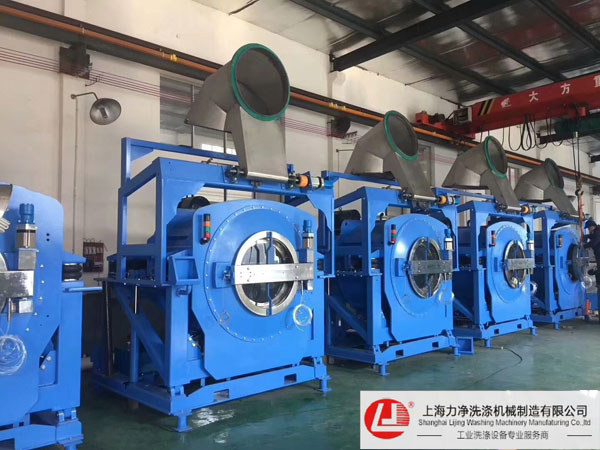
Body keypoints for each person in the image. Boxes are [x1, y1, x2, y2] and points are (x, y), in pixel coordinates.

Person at [584, 219, 600, 288]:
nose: (588, 229)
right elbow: (592, 236)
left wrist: (584, 246)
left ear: (592, 226)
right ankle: (598, 284)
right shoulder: (596, 231)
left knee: (598, 270)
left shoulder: (598, 232)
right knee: (598, 269)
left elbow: (594, 242)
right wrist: (586, 237)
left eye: (588, 228)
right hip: (598, 254)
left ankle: (598, 284)